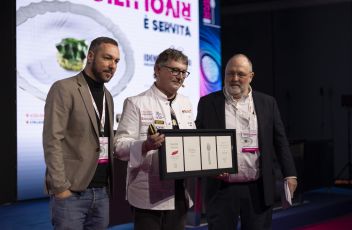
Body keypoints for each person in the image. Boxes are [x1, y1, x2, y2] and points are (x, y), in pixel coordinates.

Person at [195, 54, 298, 230]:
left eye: (240, 74)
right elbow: (197, 143)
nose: (235, 78)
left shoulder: (267, 103)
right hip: (221, 190)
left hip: (258, 188)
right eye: (230, 73)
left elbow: (280, 141)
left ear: (251, 76)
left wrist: (290, 174)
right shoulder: (207, 103)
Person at [43, 36, 120, 229]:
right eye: (107, 58)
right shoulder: (64, 88)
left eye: (116, 61)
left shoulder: (108, 96)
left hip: (102, 192)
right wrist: (60, 188)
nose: (112, 65)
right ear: (91, 56)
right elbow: (52, 139)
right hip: (72, 192)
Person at [114, 48, 195, 230]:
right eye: (174, 70)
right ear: (157, 70)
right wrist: (144, 145)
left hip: (180, 193)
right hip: (148, 197)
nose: (180, 76)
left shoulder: (186, 103)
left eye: (183, 72)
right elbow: (119, 147)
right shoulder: (136, 102)